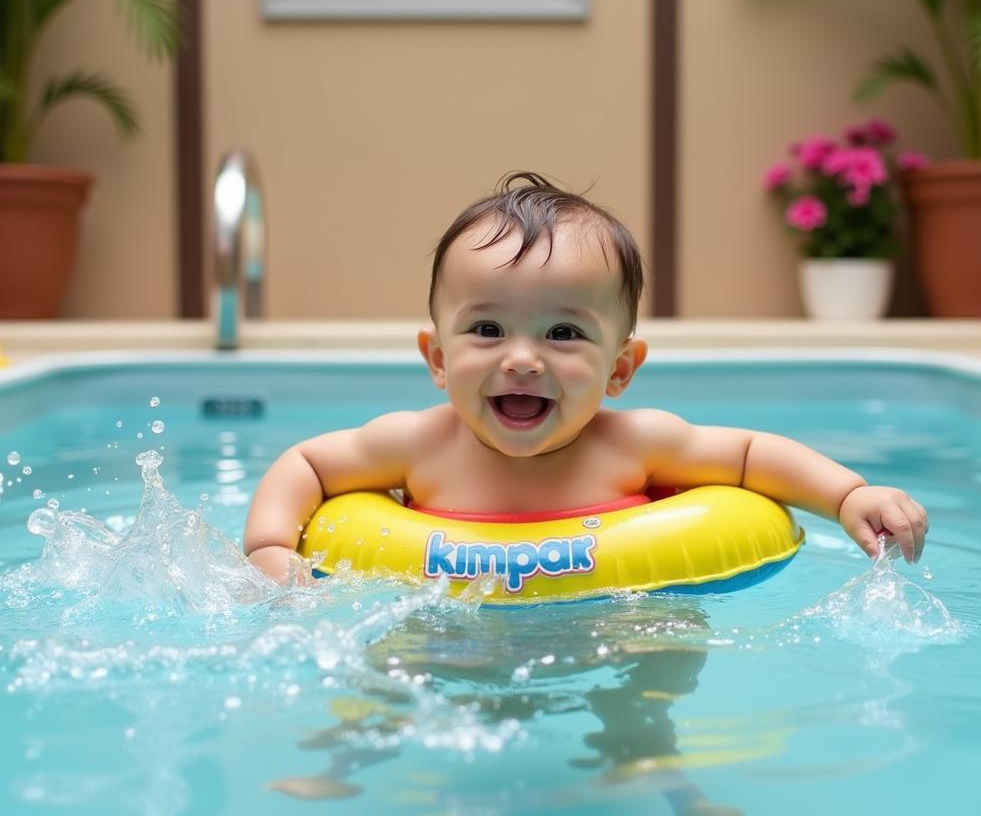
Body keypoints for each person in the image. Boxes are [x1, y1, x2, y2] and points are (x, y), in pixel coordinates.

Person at [244, 172, 928, 584]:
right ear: (437, 359)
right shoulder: (419, 445)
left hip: (612, 619)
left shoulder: (634, 445)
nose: (521, 359)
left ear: (621, 369)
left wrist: (849, 495)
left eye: (563, 333)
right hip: (447, 624)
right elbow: (305, 461)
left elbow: (752, 457)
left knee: (652, 664)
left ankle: (645, 753)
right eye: (486, 329)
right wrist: (270, 546)